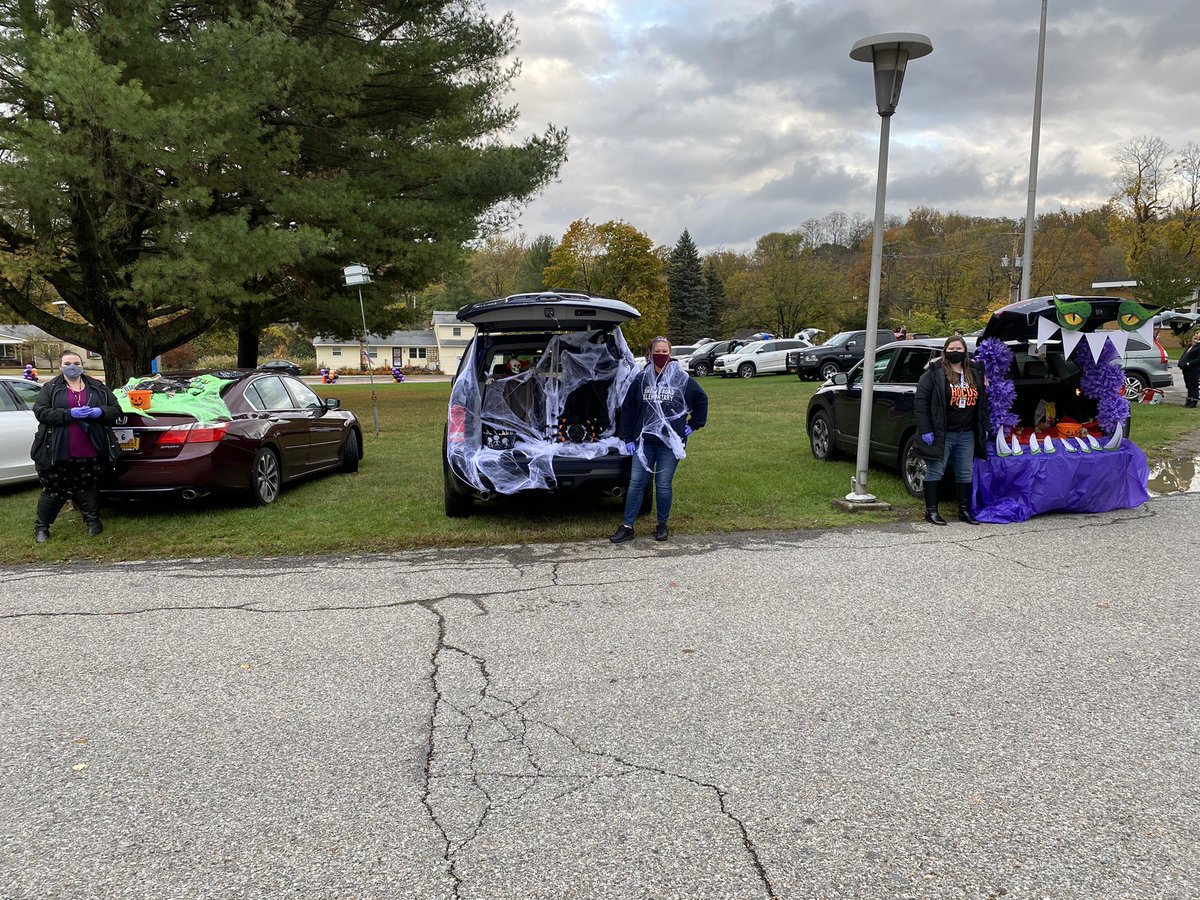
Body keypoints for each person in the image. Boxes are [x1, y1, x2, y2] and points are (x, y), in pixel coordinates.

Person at [610, 337, 708, 543]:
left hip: (669, 444)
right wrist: (628, 437)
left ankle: (662, 525)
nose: (661, 355)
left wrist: (693, 424)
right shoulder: (642, 379)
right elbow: (628, 408)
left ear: (670, 354)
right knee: (636, 483)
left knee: (663, 484)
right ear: (650, 353)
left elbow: (701, 399)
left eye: (665, 351)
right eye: (658, 351)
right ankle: (627, 526)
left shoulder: (680, 378)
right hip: (644, 442)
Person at [30, 351, 121, 542]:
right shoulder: (50, 388)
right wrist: (68, 414)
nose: (73, 367)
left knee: (88, 485)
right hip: (59, 448)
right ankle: (42, 527)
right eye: (68, 363)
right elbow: (40, 412)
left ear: (82, 365)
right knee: (55, 488)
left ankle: (93, 522)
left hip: (90, 446)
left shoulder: (97, 387)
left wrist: (100, 412)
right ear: (60, 366)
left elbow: (116, 410)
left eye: (76, 363)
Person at [914, 334, 989, 526]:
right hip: (942, 433)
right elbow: (921, 403)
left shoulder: (975, 371)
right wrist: (926, 429)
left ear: (965, 351)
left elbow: (982, 402)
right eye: (952, 349)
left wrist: (984, 426)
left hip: (967, 433)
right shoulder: (934, 372)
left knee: (965, 472)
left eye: (959, 349)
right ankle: (931, 511)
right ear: (945, 351)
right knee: (936, 471)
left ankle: (964, 511)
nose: (955, 352)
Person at [1179, 331, 1200, 408]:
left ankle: (1194, 401)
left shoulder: (1199, 347)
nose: (1196, 336)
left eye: (1198, 336)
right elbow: (1185, 356)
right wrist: (1181, 362)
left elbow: (1198, 359)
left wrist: (1189, 363)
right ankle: (1189, 399)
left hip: (1194, 369)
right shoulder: (1190, 346)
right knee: (1188, 385)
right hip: (1186, 369)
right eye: (1195, 335)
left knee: (1193, 385)